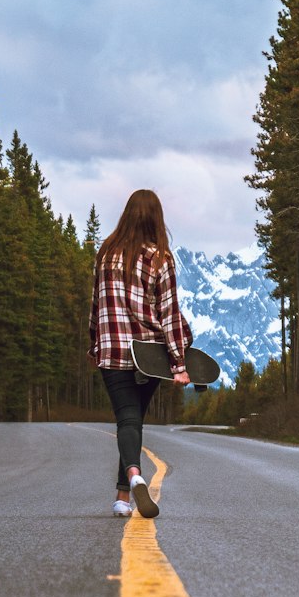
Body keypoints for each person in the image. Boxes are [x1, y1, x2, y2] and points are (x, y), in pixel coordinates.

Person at [88, 189, 192, 519]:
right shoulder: (160, 257)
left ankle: (123, 496)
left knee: (127, 418)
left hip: (113, 348)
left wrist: (94, 343)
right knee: (133, 420)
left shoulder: (106, 253)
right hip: (149, 355)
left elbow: (96, 304)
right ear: (156, 219)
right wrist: (179, 364)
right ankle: (133, 476)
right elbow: (169, 313)